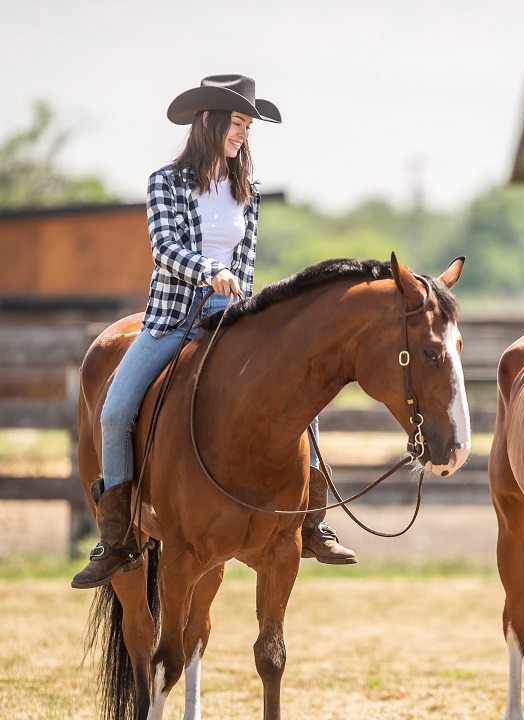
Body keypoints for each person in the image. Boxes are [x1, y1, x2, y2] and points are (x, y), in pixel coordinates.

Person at [72, 74, 355, 591]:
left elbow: (244, 262)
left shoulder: (250, 189)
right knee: (114, 412)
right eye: (238, 122)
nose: (244, 133)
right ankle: (116, 535)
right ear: (208, 121)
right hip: (172, 320)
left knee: (303, 405)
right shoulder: (166, 181)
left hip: (233, 321)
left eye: (248, 125)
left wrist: (244, 301)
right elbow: (165, 248)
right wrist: (208, 271)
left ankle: (311, 520)